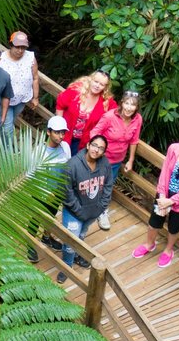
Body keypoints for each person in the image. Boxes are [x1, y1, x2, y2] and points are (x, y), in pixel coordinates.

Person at [132, 123, 179, 268]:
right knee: (154, 222)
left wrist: (171, 201)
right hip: (163, 194)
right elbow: (164, 173)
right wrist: (162, 196)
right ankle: (149, 244)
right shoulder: (174, 149)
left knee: (174, 228)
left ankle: (168, 250)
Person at [57, 134, 110, 283]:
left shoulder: (104, 163)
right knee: (70, 241)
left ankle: (78, 255)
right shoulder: (72, 165)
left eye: (101, 148)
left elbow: (108, 185)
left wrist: (102, 206)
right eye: (94, 145)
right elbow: (66, 191)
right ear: (88, 145)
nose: (96, 150)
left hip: (93, 211)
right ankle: (66, 266)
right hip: (74, 212)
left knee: (81, 236)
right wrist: (79, 210)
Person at [89, 90, 143, 231]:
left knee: (108, 185)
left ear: (136, 107)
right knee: (93, 182)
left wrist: (130, 160)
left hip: (117, 159)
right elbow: (94, 132)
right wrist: (97, 149)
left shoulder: (137, 119)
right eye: (126, 103)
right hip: (101, 157)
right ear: (121, 103)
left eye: (133, 105)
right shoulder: (109, 117)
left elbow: (134, 140)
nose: (129, 107)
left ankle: (102, 211)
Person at [28, 115, 72, 264]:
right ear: (48, 132)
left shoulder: (65, 147)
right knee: (36, 219)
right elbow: (30, 176)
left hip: (58, 193)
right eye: (57, 132)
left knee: (51, 217)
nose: (60, 136)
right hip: (41, 194)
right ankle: (30, 244)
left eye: (62, 133)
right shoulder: (39, 152)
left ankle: (46, 237)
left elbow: (67, 168)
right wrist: (44, 193)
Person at [55, 71, 116, 155]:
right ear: (90, 79)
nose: (97, 86)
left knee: (72, 165)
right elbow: (60, 104)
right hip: (64, 134)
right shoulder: (75, 90)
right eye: (96, 81)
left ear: (105, 87)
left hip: (82, 142)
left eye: (101, 84)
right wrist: (58, 127)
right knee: (55, 159)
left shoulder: (106, 102)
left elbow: (117, 114)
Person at [0, 32, 39, 135]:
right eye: (17, 47)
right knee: (8, 129)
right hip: (4, 99)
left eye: (23, 47)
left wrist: (35, 97)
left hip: (21, 99)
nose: (20, 50)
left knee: (10, 122)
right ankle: (7, 150)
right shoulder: (1, 59)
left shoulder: (30, 57)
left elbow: (35, 78)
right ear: (10, 45)